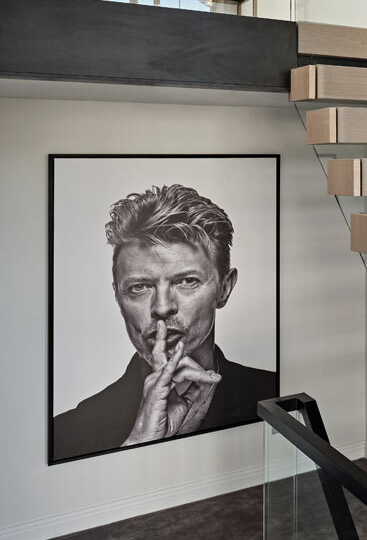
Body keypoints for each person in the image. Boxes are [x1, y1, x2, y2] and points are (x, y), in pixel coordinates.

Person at [52, 183, 276, 461]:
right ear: (118, 296)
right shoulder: (67, 433)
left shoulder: (275, 395)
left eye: (187, 281)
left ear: (224, 288)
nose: (161, 307)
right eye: (139, 287)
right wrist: (139, 440)